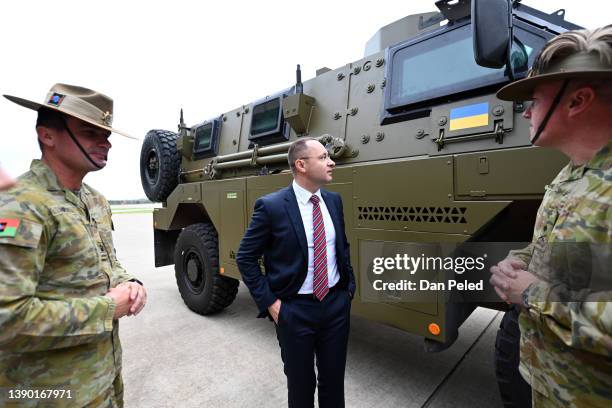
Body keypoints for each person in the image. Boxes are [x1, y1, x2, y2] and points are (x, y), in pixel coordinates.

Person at [0, 83, 147, 407]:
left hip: (103, 383)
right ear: (48, 136)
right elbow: (7, 318)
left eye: (105, 134)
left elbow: (105, 264)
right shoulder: (19, 205)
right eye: (89, 132)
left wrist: (129, 282)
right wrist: (109, 308)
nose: (105, 142)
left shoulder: (95, 201)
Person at [490, 26, 612, 407]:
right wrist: (520, 261)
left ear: (577, 100)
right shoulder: (572, 174)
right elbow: (569, 255)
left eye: (536, 99)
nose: (526, 110)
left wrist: (529, 292)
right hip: (550, 385)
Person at [237, 137, 356, 408]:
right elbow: (246, 257)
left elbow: (341, 247)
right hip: (294, 311)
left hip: (336, 306)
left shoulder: (334, 201)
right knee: (301, 388)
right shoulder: (272, 207)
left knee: (334, 383)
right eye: (324, 157)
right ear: (301, 165)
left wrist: (348, 289)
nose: (332, 162)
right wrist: (271, 303)